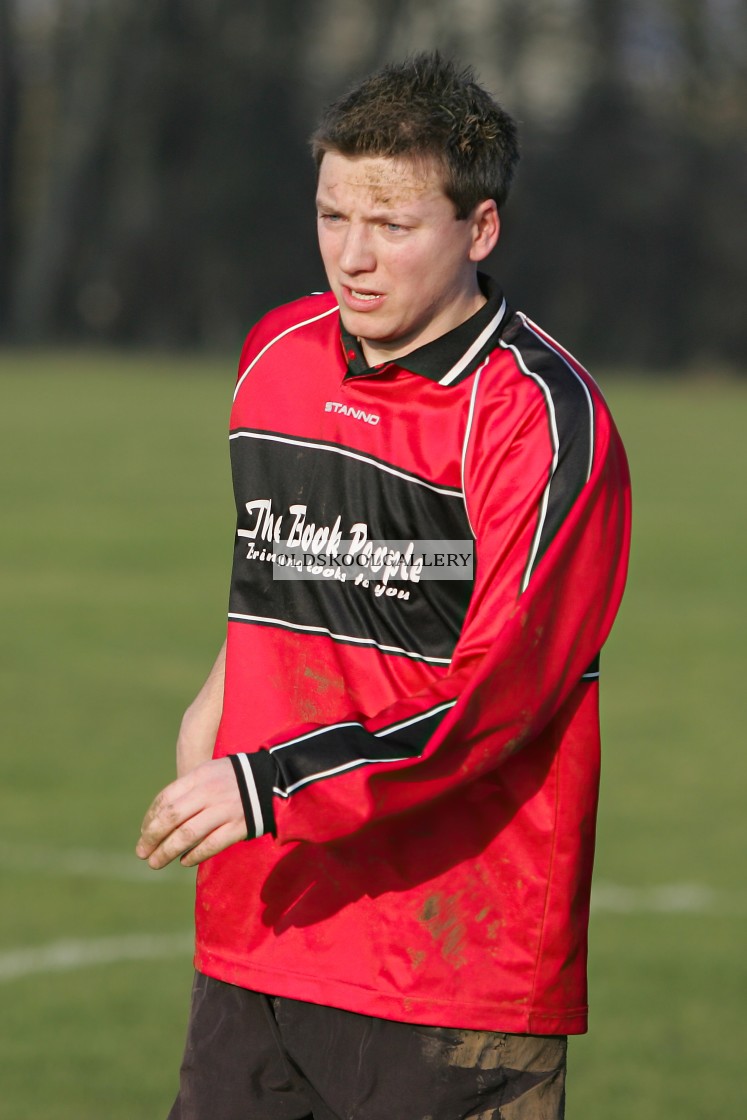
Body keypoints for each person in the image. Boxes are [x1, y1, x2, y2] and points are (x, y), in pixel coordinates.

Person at [137, 51, 631, 1120]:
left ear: (479, 229)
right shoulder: (276, 354)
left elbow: (499, 697)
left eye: (393, 227)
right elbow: (286, 572)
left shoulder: (539, 421)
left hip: (454, 972)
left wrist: (268, 783)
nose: (351, 259)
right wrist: (216, 706)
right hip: (260, 937)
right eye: (330, 216)